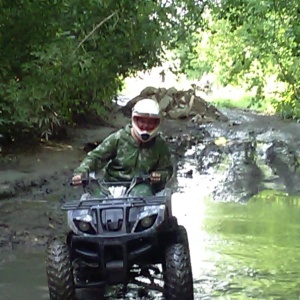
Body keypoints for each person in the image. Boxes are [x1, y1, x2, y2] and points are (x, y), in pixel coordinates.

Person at [71, 98, 174, 196]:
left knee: (142, 196)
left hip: (142, 186)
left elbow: (167, 169)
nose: (145, 126)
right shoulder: (119, 138)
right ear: (134, 119)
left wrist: (159, 176)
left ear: (157, 123)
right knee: (94, 203)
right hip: (110, 185)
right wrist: (81, 172)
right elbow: (96, 156)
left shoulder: (160, 144)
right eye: (142, 121)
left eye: (150, 122)